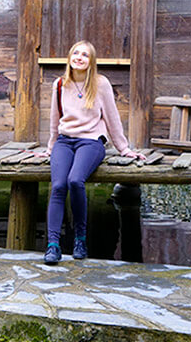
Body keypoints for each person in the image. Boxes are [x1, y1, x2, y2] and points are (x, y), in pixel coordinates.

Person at [37, 40, 145, 265]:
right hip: (65, 142)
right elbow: (55, 122)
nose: (79, 57)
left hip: (91, 142)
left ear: (91, 61)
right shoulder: (59, 85)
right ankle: (53, 245)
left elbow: (112, 119)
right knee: (58, 186)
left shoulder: (100, 84)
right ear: (69, 58)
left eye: (85, 55)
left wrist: (123, 149)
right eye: (75, 53)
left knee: (75, 180)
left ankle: (80, 239)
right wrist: (50, 149)